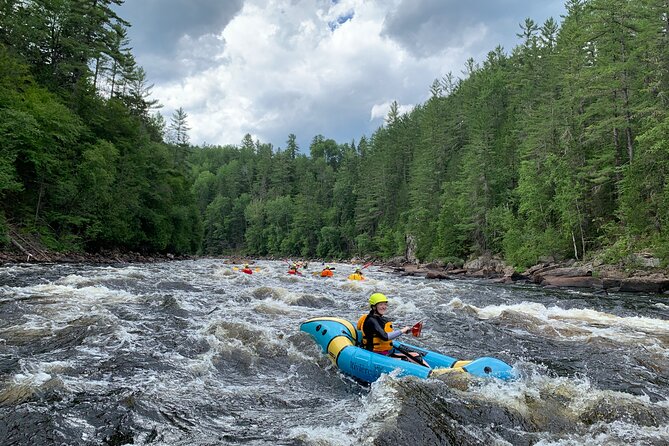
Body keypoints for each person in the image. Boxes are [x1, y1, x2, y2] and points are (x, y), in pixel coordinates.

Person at [357, 293, 427, 366]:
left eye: (385, 304)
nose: (384, 307)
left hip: (383, 353)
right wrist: (402, 330)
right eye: (381, 304)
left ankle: (432, 372)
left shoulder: (379, 319)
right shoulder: (371, 320)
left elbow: (385, 332)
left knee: (416, 355)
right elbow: (385, 337)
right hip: (374, 355)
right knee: (409, 359)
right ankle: (431, 374)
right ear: (374, 307)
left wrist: (407, 330)